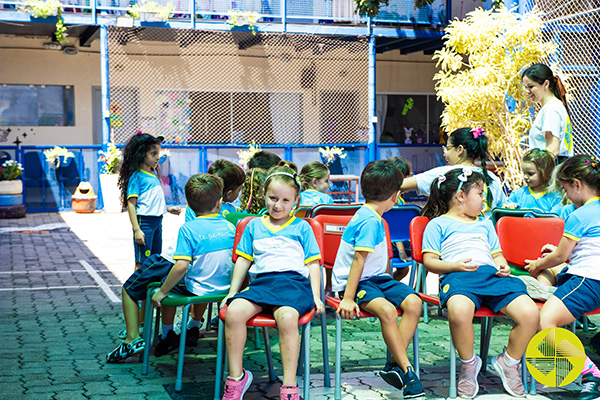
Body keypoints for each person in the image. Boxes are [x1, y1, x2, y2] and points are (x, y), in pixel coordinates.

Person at [421, 168, 539, 398]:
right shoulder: (438, 224)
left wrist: (503, 265)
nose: (484, 199)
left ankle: (509, 362)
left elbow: (496, 255)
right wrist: (455, 266)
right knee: (459, 312)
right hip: (459, 277)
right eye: (480, 193)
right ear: (460, 196)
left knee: (530, 314)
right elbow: (430, 261)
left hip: (491, 276)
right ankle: (468, 364)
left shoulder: (485, 224)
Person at [219, 162, 324, 400]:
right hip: (261, 285)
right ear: (263, 196)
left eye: (286, 201)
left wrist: (316, 295)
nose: (278, 205)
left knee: (287, 317)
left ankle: (289, 385)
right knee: (233, 312)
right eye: (273, 198)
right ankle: (236, 379)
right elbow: (243, 262)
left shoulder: (302, 228)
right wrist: (232, 292)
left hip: (293, 284)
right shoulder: (254, 226)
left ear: (296, 202)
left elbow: (313, 264)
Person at [106, 174, 235, 362]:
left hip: (194, 284)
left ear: (189, 206)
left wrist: (162, 291)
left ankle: (136, 338)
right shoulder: (230, 227)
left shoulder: (189, 230)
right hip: (222, 288)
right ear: (219, 203)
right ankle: (191, 326)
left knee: (132, 287)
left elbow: (181, 266)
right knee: (191, 273)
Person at [331, 160, 425, 399]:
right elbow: (357, 261)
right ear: (396, 196)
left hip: (378, 279)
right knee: (388, 311)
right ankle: (407, 372)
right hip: (356, 283)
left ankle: (394, 364)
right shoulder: (370, 220)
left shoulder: (373, 215)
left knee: (414, 302)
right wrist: (349, 298)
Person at [524, 155, 600, 399]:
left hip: (588, 281)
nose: (567, 196)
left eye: (566, 189)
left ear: (577, 185)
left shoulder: (579, 215)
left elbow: (559, 256)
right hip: (590, 276)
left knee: (543, 321)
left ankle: (591, 374)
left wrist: (538, 263)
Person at [400, 127, 506, 219]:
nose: (445, 154)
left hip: (452, 238)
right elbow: (502, 211)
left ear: (460, 149)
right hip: (485, 239)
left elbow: (399, 185)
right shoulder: (492, 178)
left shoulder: (445, 173)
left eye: (448, 148)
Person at [118, 132, 181, 270]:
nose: (158, 157)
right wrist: (137, 229)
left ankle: (147, 289)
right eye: (153, 154)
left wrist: (167, 209)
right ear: (141, 154)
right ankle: (133, 290)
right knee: (141, 262)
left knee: (154, 259)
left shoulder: (152, 173)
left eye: (158, 153)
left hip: (157, 221)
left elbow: (151, 200)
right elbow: (131, 204)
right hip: (145, 223)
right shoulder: (137, 176)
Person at [522, 63, 573, 162]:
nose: (527, 91)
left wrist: (536, 171)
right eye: (525, 87)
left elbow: (553, 149)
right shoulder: (554, 106)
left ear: (546, 84)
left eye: (531, 86)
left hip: (551, 170)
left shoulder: (551, 109)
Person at [503, 148, 562, 213]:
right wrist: (509, 207)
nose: (525, 177)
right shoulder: (517, 195)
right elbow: (502, 212)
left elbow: (556, 218)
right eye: (524, 173)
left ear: (546, 173)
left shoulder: (554, 197)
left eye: (530, 174)